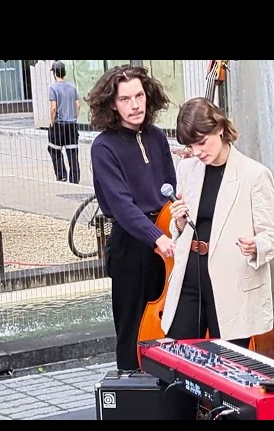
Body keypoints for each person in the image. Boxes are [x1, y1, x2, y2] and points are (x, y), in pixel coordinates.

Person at [160, 96, 274, 419]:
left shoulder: (254, 174)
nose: (199, 151)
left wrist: (255, 245)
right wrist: (180, 220)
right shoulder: (188, 168)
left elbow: (273, 237)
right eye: (192, 145)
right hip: (191, 276)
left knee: (230, 368)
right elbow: (182, 230)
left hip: (231, 282)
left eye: (202, 142)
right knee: (179, 360)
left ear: (219, 128)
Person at [85, 65, 177, 372]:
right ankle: (130, 385)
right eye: (125, 99)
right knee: (131, 325)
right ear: (112, 104)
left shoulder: (157, 138)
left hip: (164, 233)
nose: (135, 105)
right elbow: (121, 206)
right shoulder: (103, 146)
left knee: (169, 318)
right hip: (131, 242)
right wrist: (156, 237)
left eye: (139, 95)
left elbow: (169, 189)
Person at [47, 61, 81, 184]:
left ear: (55, 73)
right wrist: (74, 117)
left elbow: (53, 108)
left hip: (59, 124)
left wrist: (52, 122)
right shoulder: (72, 87)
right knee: (72, 152)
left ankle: (61, 175)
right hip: (71, 124)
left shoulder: (53, 88)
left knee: (54, 149)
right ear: (64, 72)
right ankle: (75, 178)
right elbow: (78, 105)